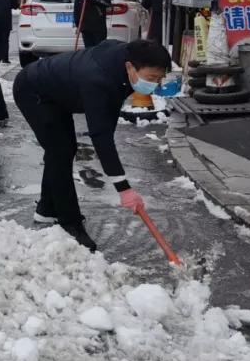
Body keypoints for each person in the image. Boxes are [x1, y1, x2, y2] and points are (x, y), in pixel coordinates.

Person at [13, 39, 170, 252]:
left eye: (159, 78)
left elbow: (107, 122)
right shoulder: (99, 80)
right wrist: (124, 189)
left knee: (62, 149)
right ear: (130, 66)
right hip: (34, 90)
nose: (154, 84)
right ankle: (70, 223)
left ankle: (46, 209)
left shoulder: (126, 59)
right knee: (60, 150)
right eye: (151, 78)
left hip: (60, 94)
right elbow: (101, 136)